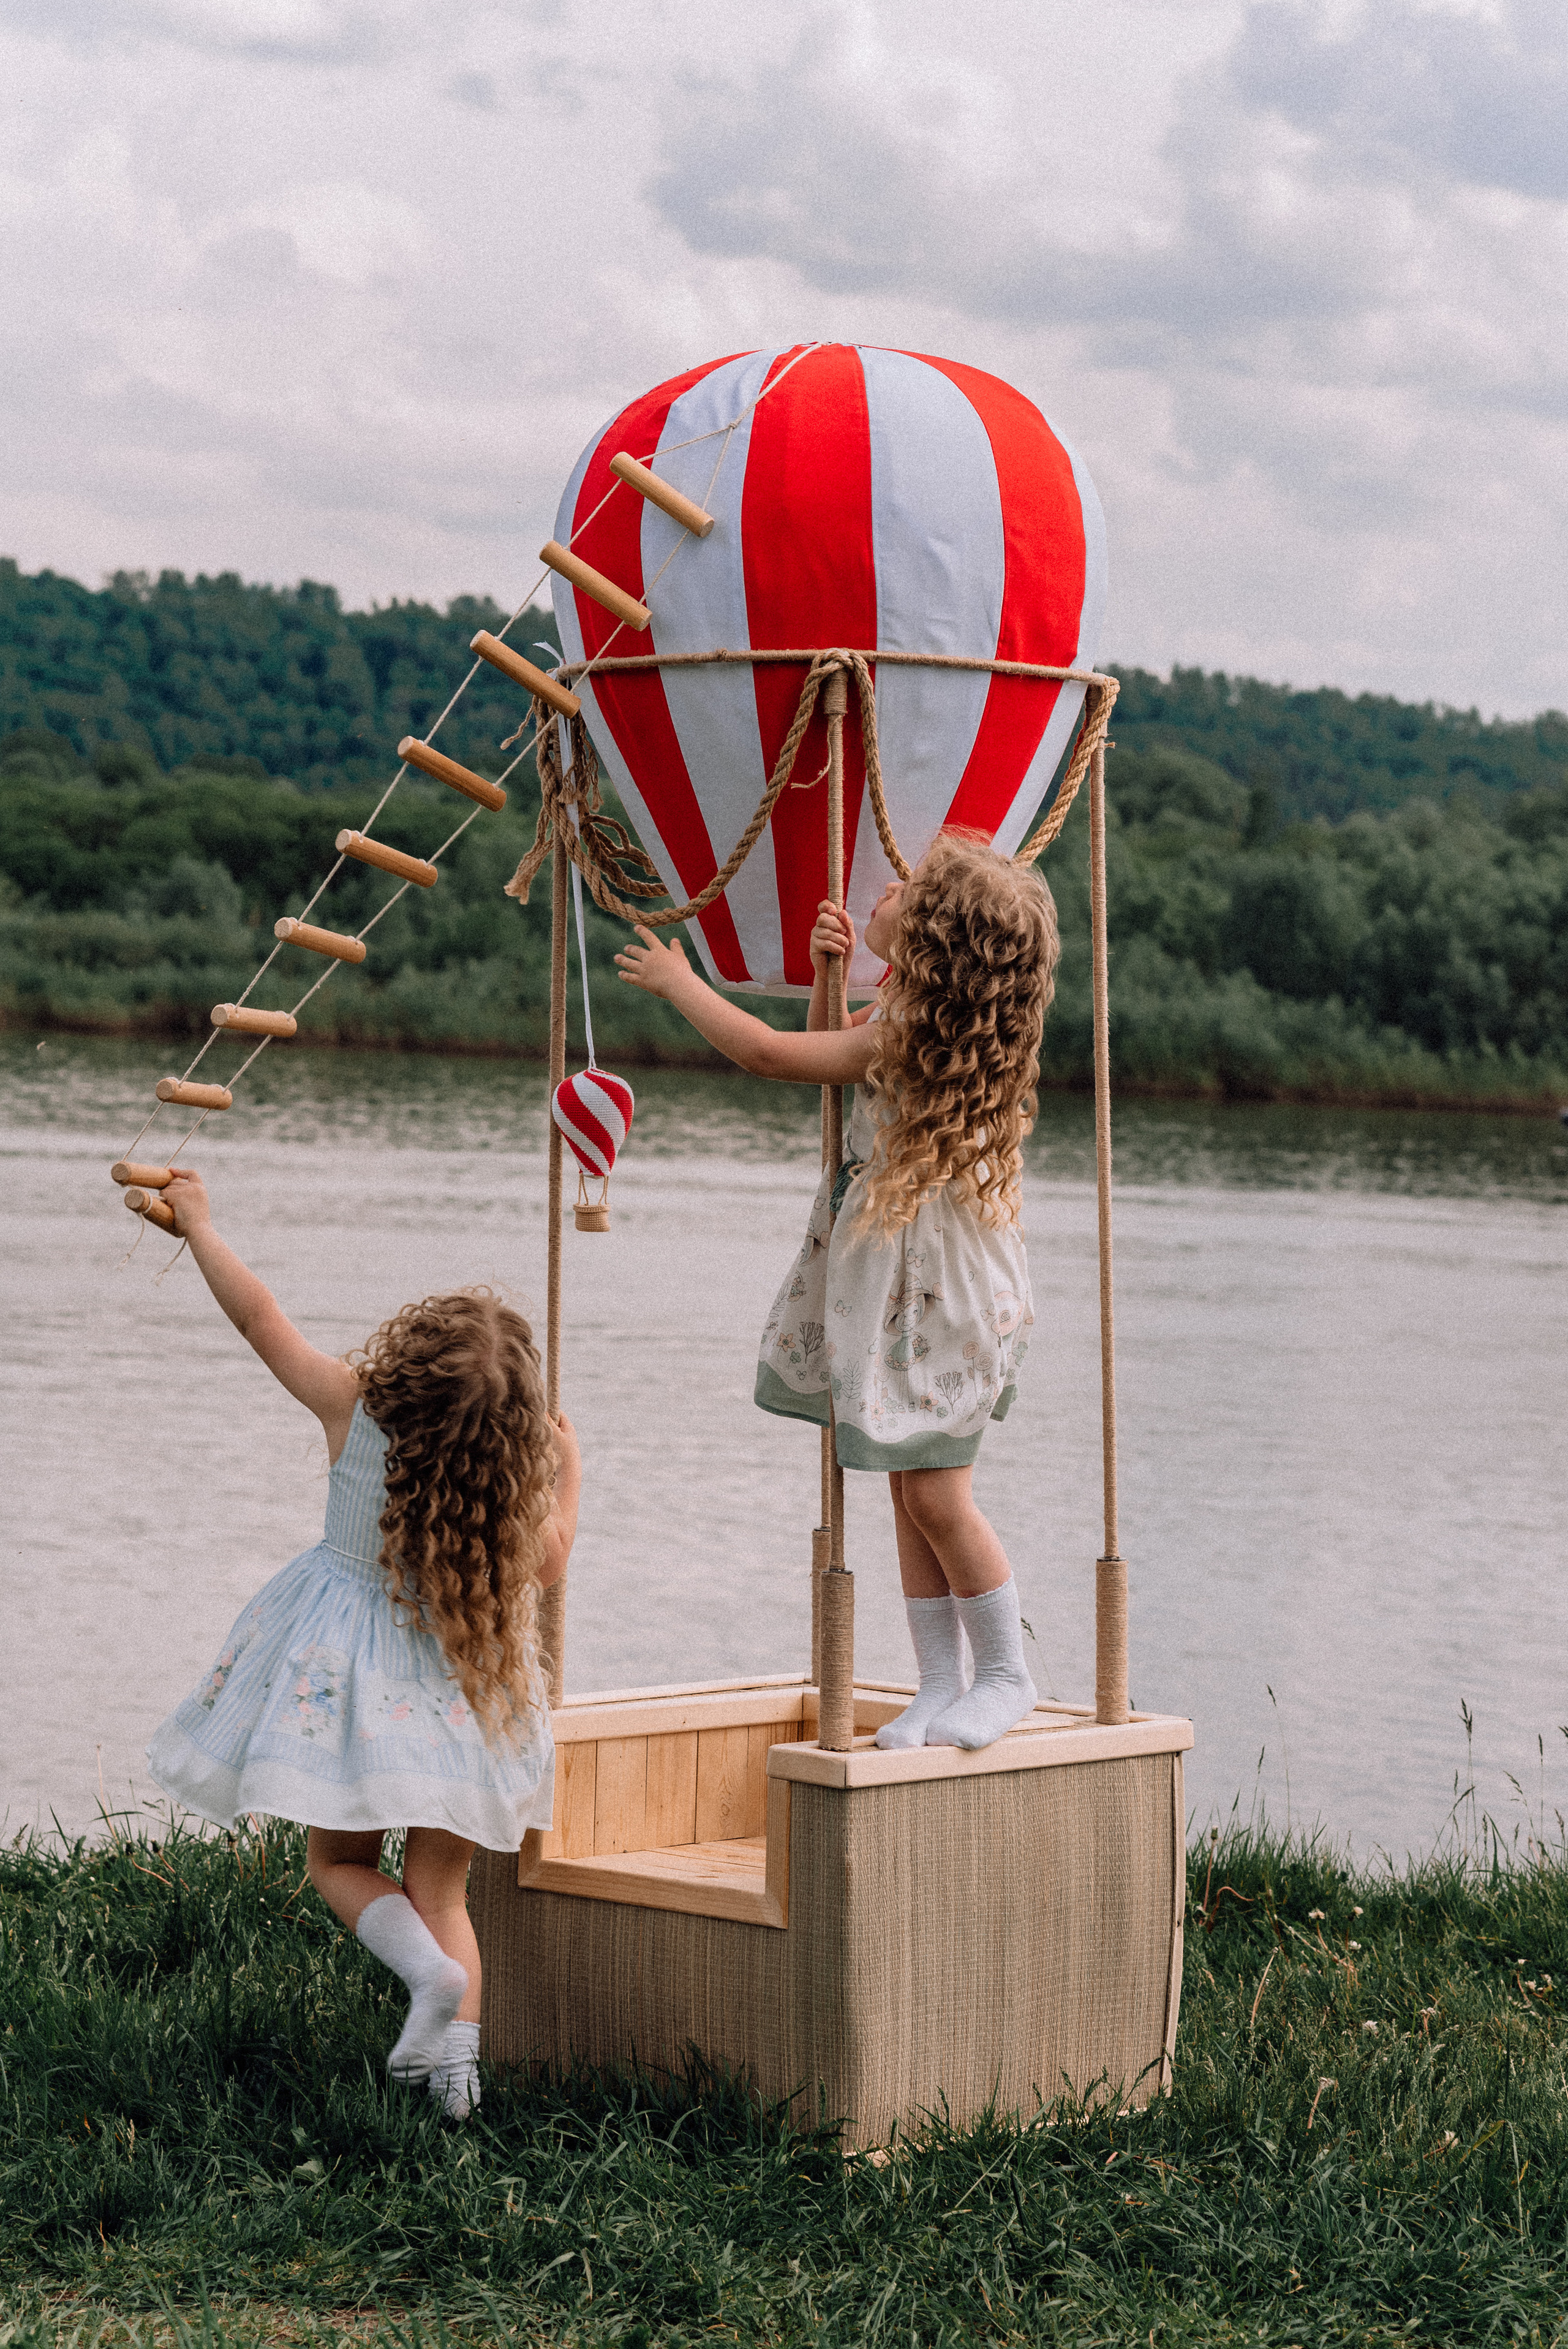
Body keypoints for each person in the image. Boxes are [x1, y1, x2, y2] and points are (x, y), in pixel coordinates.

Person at [144, 1171, 579, 2121]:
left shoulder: (354, 1406)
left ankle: (424, 1977)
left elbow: (261, 1317)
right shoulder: (510, 1489)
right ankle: (457, 2084)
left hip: (356, 1692)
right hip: (469, 1698)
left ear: (406, 1363)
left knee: (338, 1858)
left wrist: (202, 1227)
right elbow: (549, 1567)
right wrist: (568, 1471)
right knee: (443, 1885)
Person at [616, 829, 1056, 1752]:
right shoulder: (909, 1011)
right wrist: (834, 974)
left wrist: (680, 982)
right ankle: (940, 1682)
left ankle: (1007, 1672)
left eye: (908, 889)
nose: (885, 887)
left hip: (939, 1299)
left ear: (932, 943)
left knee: (939, 1496)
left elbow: (778, 1057)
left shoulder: (909, 1033)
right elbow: (829, 1047)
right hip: (919, 1288)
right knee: (908, 1485)